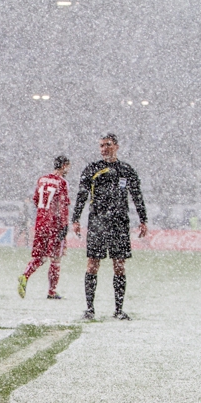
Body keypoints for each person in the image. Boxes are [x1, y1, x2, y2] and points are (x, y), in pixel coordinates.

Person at [71, 134, 148, 320]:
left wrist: (143, 219)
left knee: (119, 266)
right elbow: (81, 195)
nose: (104, 148)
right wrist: (75, 219)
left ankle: (119, 310)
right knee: (92, 265)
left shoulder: (126, 170)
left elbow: (137, 195)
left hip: (119, 223)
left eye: (108, 145)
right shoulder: (92, 169)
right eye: (101, 145)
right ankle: (89, 309)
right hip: (98, 222)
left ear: (117, 147)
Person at [18, 155, 71, 299]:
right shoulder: (62, 183)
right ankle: (52, 292)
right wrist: (64, 225)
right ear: (64, 165)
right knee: (55, 259)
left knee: (39, 257)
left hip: (40, 223)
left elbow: (35, 200)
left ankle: (25, 275)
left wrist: (44, 213)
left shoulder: (42, 180)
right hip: (54, 224)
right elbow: (62, 206)